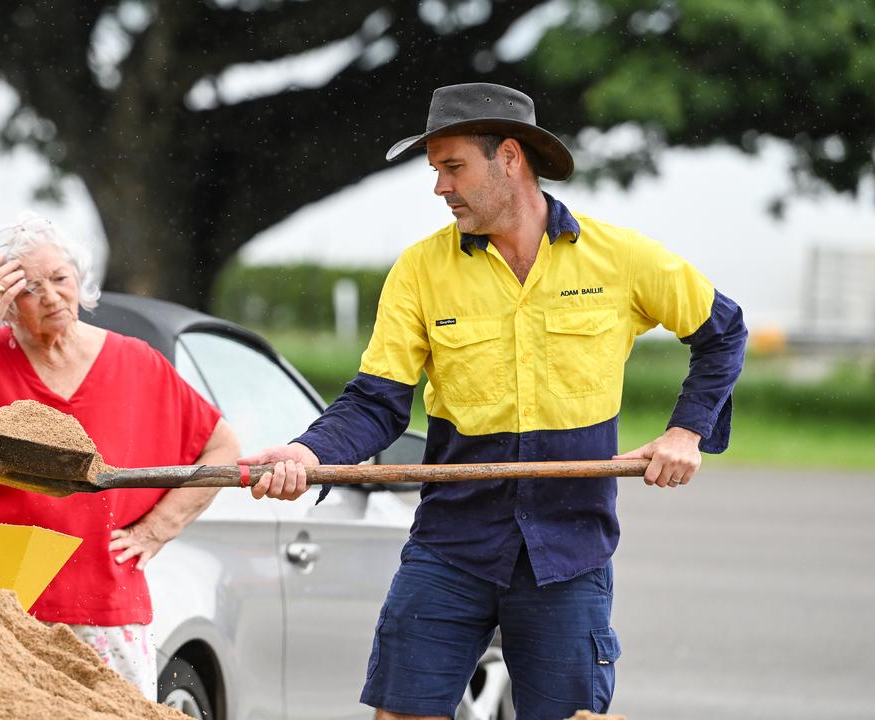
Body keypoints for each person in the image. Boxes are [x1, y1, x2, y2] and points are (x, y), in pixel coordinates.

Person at [241, 83, 747, 719]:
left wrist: (686, 432)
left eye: (453, 168)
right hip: (452, 543)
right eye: (435, 171)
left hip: (568, 548)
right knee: (402, 715)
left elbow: (722, 331)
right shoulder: (420, 270)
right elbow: (377, 402)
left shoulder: (620, 257)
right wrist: (305, 451)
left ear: (510, 157)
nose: (439, 188)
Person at [0, 213, 239, 700]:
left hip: (100, 601)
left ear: (79, 278)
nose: (49, 297)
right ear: (2, 301)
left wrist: (155, 530)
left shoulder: (136, 362)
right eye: (26, 288)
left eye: (60, 279)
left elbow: (224, 450)